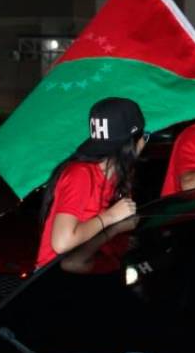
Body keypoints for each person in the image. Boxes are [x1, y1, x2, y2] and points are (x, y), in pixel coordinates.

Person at [35, 97, 147, 272]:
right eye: (144, 136)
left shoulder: (118, 176)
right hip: (54, 278)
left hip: (90, 269)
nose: (145, 143)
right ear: (130, 144)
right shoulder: (81, 175)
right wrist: (111, 216)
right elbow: (62, 242)